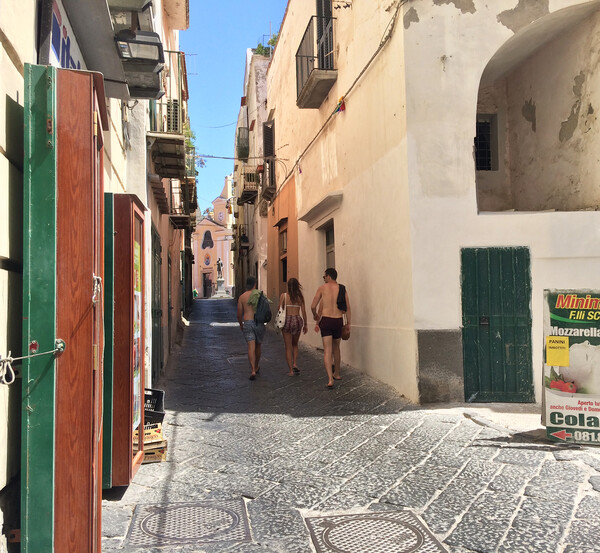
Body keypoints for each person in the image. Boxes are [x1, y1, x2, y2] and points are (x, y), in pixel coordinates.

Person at [311, 268, 351, 388]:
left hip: (326, 321)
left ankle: (330, 379)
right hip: (338, 320)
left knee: (327, 350)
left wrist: (315, 315)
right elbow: (348, 308)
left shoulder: (322, 288)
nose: (324, 278)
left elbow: (313, 306)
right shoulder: (342, 288)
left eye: (324, 276)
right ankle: (337, 374)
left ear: (328, 276)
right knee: (336, 348)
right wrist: (348, 323)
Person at [277, 278, 308, 376]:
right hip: (297, 320)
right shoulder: (300, 297)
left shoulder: (284, 296)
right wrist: (305, 324)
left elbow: (279, 308)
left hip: (287, 320)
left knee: (288, 347)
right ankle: (295, 363)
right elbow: (303, 312)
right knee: (295, 344)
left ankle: (290, 370)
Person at [237, 276, 266, 380]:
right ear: (255, 284)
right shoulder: (259, 295)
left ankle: (253, 370)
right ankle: (257, 366)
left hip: (248, 322)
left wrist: (241, 324)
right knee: (258, 346)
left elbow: (239, 314)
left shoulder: (242, 297)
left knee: (251, 347)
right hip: (259, 323)